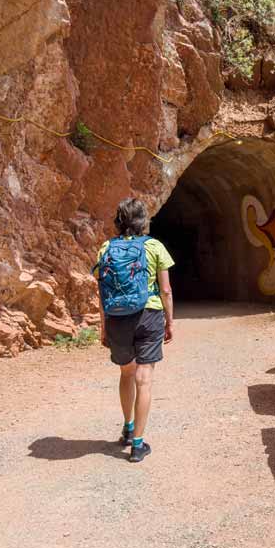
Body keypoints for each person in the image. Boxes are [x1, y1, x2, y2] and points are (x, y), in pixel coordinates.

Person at [92, 198, 175, 463]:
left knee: (126, 372)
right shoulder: (154, 247)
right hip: (149, 314)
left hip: (118, 318)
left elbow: (101, 293)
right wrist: (169, 322)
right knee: (144, 378)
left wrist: (104, 327)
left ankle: (127, 428)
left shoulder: (106, 248)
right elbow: (165, 290)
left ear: (118, 221)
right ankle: (138, 445)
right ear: (143, 221)